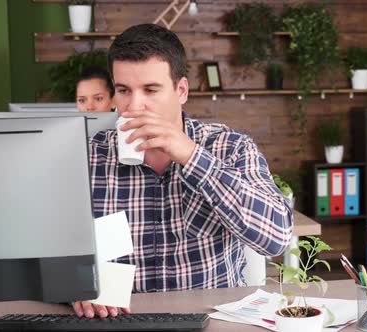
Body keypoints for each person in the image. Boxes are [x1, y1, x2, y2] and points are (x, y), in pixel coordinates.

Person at [72, 24, 294, 319]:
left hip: (213, 319)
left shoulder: (230, 147)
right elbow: (55, 253)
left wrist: (192, 157)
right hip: (120, 321)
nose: (134, 106)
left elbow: (276, 238)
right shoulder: (90, 156)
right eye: (124, 91)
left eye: (151, 90)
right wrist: (76, 289)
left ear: (181, 91)